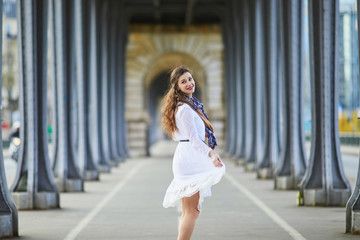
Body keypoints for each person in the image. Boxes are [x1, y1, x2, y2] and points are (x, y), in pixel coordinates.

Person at [161, 66, 225, 240]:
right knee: (191, 212)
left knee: (190, 211)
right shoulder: (185, 110)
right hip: (189, 157)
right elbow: (194, 140)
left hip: (188, 156)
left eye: (190, 79)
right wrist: (211, 154)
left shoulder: (188, 106)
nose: (189, 83)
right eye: (183, 81)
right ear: (177, 87)